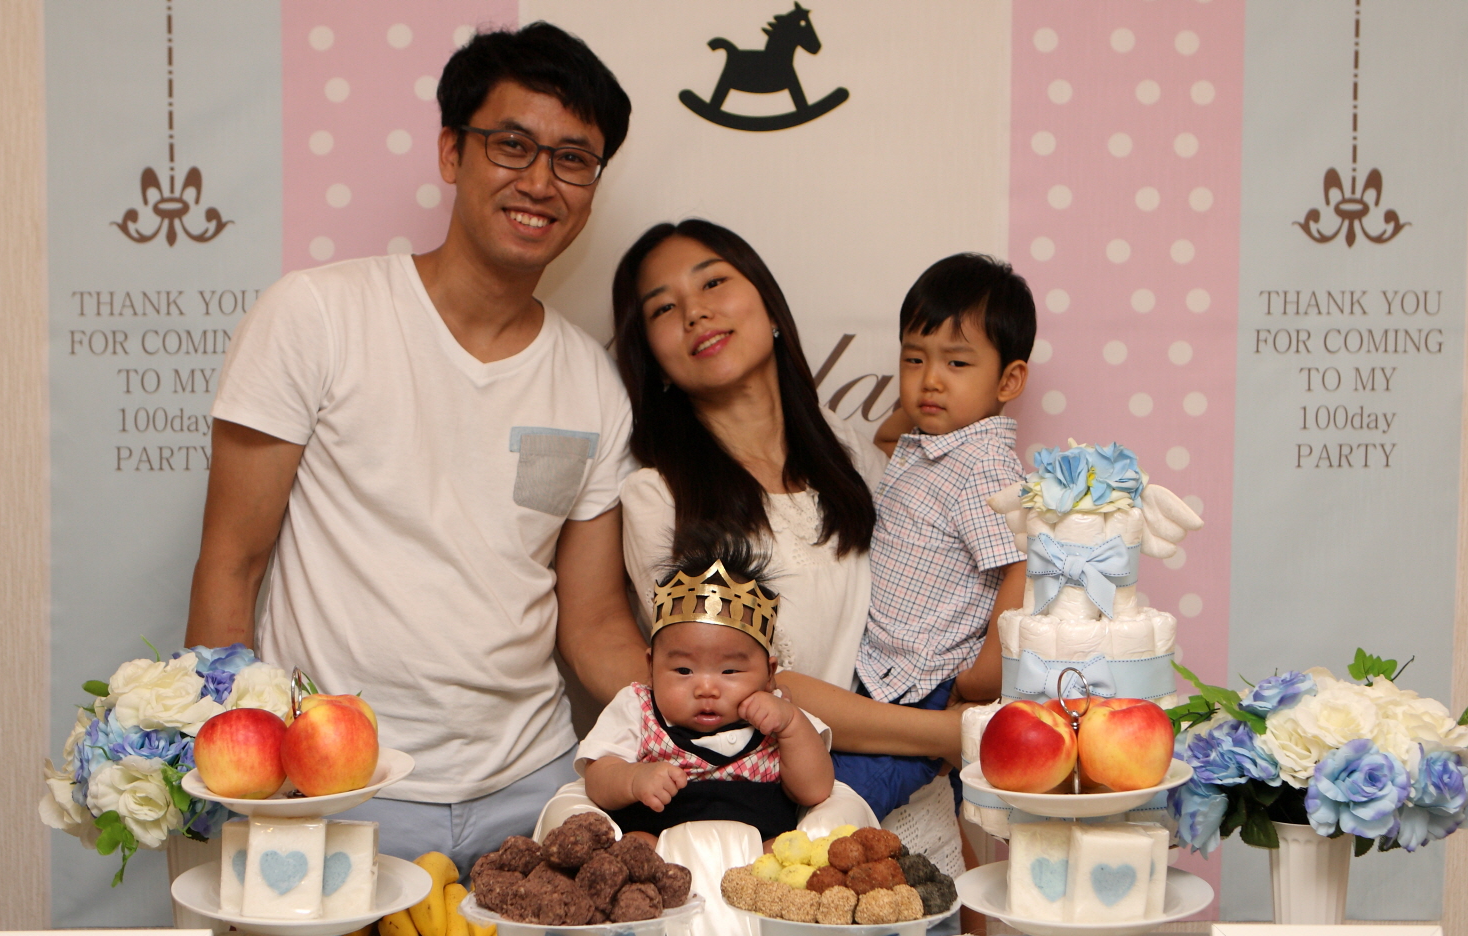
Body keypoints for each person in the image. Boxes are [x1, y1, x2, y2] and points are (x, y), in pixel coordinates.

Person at [185, 24, 647, 871]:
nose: (539, 181)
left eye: (573, 159)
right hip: (338, 783)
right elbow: (231, 564)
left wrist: (704, 715)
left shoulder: (591, 380)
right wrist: (231, 778)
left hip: (534, 787)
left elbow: (592, 623)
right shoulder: (316, 315)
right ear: (451, 152)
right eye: (512, 145)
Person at [608, 220, 967, 795]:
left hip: (913, 797)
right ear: (651, 356)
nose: (695, 312)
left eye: (713, 283)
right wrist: (952, 734)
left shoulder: (845, 450)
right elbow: (744, 688)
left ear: (770, 306)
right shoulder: (659, 500)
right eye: (663, 308)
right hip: (780, 818)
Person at [833, 253, 1032, 819]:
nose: (931, 379)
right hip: (886, 672)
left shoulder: (983, 465)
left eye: (957, 363)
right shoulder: (928, 447)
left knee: (844, 805)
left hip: (927, 683)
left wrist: (986, 673)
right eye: (914, 359)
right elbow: (885, 440)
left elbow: (1023, 563)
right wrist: (918, 404)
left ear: (1009, 380)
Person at [578, 544, 834, 844]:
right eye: (684, 670)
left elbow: (815, 791)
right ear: (651, 667)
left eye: (730, 671)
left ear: (769, 674)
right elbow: (597, 778)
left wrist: (791, 725)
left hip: (757, 850)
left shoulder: (780, 716)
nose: (706, 690)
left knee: (785, 849)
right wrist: (634, 779)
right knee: (635, 843)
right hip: (661, 846)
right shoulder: (637, 707)